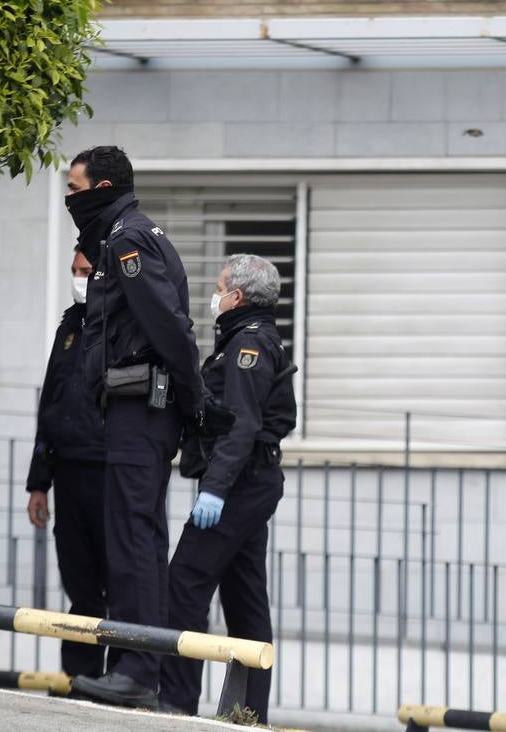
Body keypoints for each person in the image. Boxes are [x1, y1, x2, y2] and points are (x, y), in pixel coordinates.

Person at [64, 146, 203, 709]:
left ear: (100, 187)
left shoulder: (127, 239)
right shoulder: (123, 234)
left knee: (132, 537)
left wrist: (194, 404)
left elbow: (168, 326)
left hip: (142, 408)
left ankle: (139, 667)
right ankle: (139, 664)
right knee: (136, 534)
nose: (69, 199)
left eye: (74, 189)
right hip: (136, 407)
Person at [160, 255, 295, 722]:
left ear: (237, 296)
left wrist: (214, 489)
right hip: (250, 481)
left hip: (239, 485)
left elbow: (241, 425)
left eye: (219, 287)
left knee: (183, 585)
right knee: (245, 598)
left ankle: (174, 705)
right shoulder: (243, 339)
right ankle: (248, 714)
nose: (214, 295)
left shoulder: (248, 347)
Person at [25, 247, 111, 678]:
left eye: (87, 271)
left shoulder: (126, 324)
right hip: (69, 472)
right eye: (75, 271)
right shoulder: (70, 326)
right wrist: (39, 482)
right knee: (80, 591)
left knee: (121, 589)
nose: (79, 278)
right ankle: (81, 684)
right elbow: (51, 404)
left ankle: (122, 683)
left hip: (113, 474)